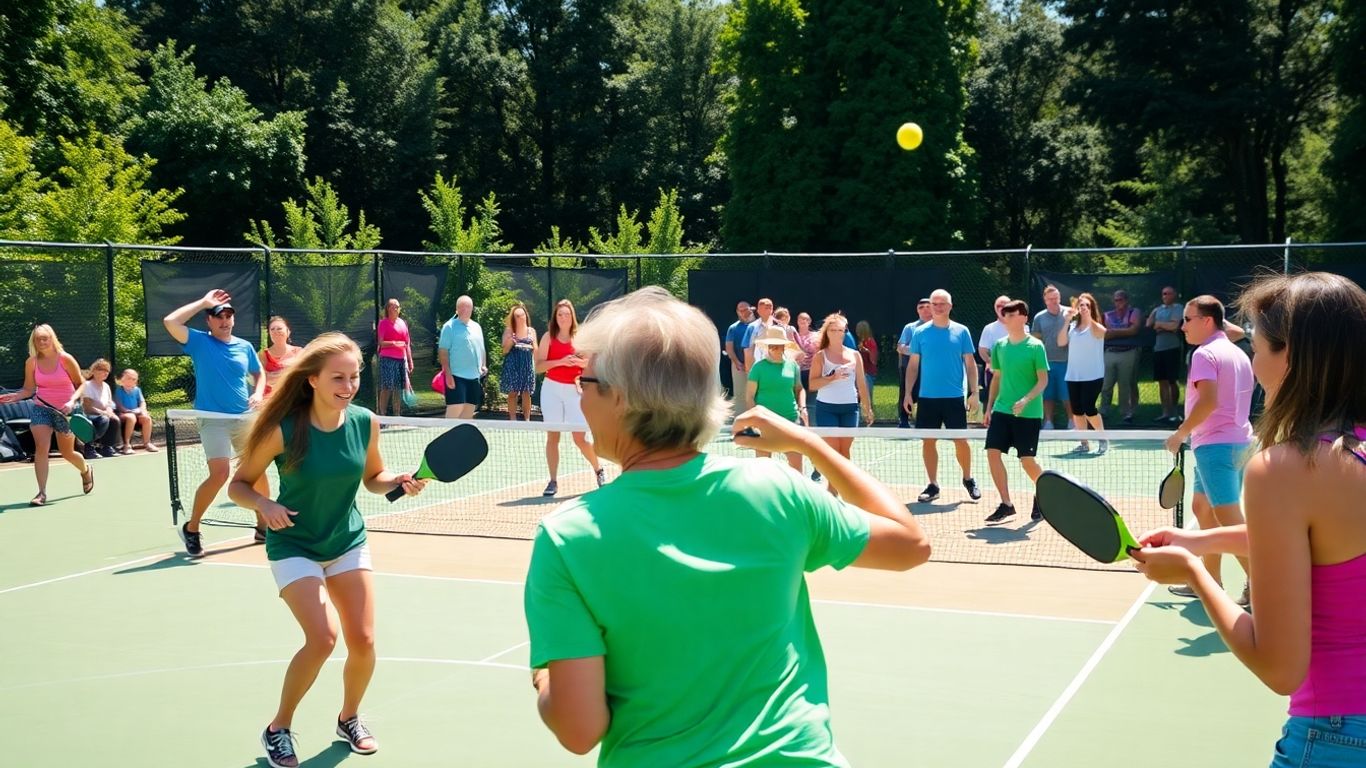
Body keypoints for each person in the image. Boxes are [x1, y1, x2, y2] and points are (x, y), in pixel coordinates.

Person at [524, 286, 931, 766]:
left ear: (622, 398)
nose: (579, 394)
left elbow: (579, 730)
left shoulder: (567, 537)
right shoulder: (778, 489)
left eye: (585, 382)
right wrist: (809, 443)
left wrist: (545, 674)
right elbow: (910, 544)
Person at [1132, 272, 1366, 767]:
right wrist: (1200, 541)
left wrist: (1194, 573)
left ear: (1292, 358)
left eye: (1257, 350)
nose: (1253, 365)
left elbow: (1280, 668)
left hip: (1336, 735)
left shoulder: (1285, 469)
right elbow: (1331, 540)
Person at [227, 333, 428, 768]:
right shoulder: (284, 429)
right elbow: (238, 485)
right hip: (294, 544)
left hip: (346, 540)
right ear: (312, 379)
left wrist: (397, 480)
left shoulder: (364, 422)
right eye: (338, 377)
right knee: (322, 638)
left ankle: (348, 718)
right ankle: (278, 728)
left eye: (354, 377)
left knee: (364, 641)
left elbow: (373, 478)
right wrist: (263, 504)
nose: (348, 385)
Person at [1160, 295, 1255, 605]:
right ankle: (1209, 582)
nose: (1182, 326)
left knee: (1230, 519)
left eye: (1188, 319)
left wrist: (1180, 433)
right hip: (1236, 443)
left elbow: (1209, 401)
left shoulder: (1204, 354)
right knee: (1202, 508)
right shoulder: (1238, 352)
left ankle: (1262, 586)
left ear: (1207, 321)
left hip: (1216, 447)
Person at [164, 289, 269, 555]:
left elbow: (259, 372)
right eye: (218, 317)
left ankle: (263, 526)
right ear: (208, 321)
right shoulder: (199, 342)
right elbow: (170, 322)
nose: (224, 321)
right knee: (220, 474)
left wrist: (258, 392)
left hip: (243, 418)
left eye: (228, 316)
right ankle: (192, 528)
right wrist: (203, 302)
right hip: (212, 419)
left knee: (256, 471)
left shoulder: (244, 346)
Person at [0, 324, 94, 505]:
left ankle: (85, 470)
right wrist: (14, 397)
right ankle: (41, 493)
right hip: (41, 407)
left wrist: (72, 401)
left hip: (65, 411)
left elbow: (81, 383)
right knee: (41, 448)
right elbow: (28, 389)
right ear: (33, 342)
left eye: (45, 338)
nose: (42, 342)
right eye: (38, 339)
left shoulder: (65, 359)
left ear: (52, 339)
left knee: (67, 453)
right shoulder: (31, 362)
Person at [903, 289, 982, 504]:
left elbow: (970, 364)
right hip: (927, 399)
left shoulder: (962, 331)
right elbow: (913, 366)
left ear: (950, 306)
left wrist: (974, 392)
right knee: (928, 441)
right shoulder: (920, 333)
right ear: (930, 306)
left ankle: (968, 478)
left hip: (954, 398)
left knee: (961, 441)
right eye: (934, 303)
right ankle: (933, 485)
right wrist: (908, 393)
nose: (938, 307)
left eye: (942, 303)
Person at [983, 301, 1049, 524]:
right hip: (1002, 409)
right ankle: (1006, 504)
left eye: (1012, 314)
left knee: (1027, 461)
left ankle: (1042, 493)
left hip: (1029, 413)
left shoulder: (1036, 347)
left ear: (1024, 318)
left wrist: (1026, 399)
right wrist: (989, 407)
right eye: (1005, 314)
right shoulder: (999, 346)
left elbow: (1043, 381)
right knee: (992, 452)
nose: (1007, 318)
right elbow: (997, 377)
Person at [535, 299, 605, 497]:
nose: (563, 318)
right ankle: (553, 481)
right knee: (553, 436)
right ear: (555, 317)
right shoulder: (548, 337)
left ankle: (599, 470)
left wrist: (579, 363)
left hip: (574, 391)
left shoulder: (581, 338)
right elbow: (539, 367)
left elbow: (591, 364)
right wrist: (561, 362)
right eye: (560, 314)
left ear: (572, 316)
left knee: (580, 438)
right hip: (551, 390)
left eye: (566, 314)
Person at [809, 314, 875, 475]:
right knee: (833, 449)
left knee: (844, 451)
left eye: (840, 330)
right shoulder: (820, 356)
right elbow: (812, 385)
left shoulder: (855, 355)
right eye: (833, 330)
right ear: (827, 332)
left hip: (850, 408)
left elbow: (861, 383)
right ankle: (830, 485)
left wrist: (867, 408)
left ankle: (842, 486)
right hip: (826, 408)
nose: (837, 333)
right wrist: (832, 377)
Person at [745, 326, 807, 471]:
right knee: (763, 469)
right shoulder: (758, 368)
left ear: (784, 346)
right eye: (772, 346)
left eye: (779, 345)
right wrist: (756, 419)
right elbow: (749, 396)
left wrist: (803, 407)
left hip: (791, 420)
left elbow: (799, 389)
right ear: (767, 347)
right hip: (765, 423)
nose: (776, 349)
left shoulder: (793, 366)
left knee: (797, 469)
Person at [1056, 292, 1109, 454]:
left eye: (1087, 305)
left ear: (1092, 308)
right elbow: (1061, 342)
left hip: (1093, 376)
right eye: (1081, 305)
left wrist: (1087, 317)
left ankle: (1103, 439)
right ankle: (1084, 443)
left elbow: (1103, 332)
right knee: (1077, 410)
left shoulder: (1096, 327)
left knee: (1089, 408)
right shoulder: (1072, 327)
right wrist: (1067, 320)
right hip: (1073, 376)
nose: (1084, 308)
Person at [438, 295, 487, 419]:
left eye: (468, 306)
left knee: (469, 410)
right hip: (456, 376)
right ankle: (448, 431)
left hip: (474, 377)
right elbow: (443, 351)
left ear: (472, 309)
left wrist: (483, 365)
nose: (465, 309)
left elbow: (481, 349)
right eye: (462, 307)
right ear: (457, 309)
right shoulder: (449, 327)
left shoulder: (477, 327)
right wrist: (448, 374)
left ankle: (463, 432)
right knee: (456, 407)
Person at [1031, 286, 1073, 429]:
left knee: (1067, 395)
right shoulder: (1039, 317)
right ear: (1045, 300)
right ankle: (1048, 422)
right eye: (1050, 299)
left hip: (1067, 362)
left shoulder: (1070, 313)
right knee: (1047, 395)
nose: (1054, 301)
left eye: (1056, 298)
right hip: (1046, 362)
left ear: (1060, 297)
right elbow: (1036, 340)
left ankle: (1072, 421)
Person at [979, 295, 1026, 409]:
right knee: (992, 402)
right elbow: (983, 350)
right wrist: (992, 362)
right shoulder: (989, 328)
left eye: (1004, 305)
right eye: (998, 306)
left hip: (1018, 372)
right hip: (995, 373)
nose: (1001, 308)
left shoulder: (1023, 327)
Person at [1102, 289, 1142, 424]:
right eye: (1116, 300)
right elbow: (1106, 334)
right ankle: (1103, 411)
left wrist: (1115, 332)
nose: (1118, 302)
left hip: (1129, 351)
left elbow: (1134, 330)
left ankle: (1127, 413)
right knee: (1106, 384)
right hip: (1110, 352)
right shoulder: (1108, 315)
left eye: (1120, 300)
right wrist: (1125, 331)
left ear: (1126, 300)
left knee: (1126, 384)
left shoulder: (1134, 312)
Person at [1147, 286, 1184, 424]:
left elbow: (1174, 327)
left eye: (1168, 293)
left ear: (1174, 295)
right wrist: (1163, 325)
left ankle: (1174, 412)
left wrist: (1159, 325)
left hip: (1172, 348)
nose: (1165, 296)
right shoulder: (1158, 309)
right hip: (1159, 349)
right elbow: (1149, 323)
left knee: (1172, 381)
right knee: (1162, 381)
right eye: (1163, 294)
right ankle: (1165, 413)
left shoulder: (1178, 308)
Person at [897, 299, 932, 428]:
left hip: (931, 369)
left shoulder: (938, 327)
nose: (925, 309)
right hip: (910, 368)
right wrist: (916, 351)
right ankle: (904, 420)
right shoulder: (910, 327)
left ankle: (924, 421)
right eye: (921, 307)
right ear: (917, 311)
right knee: (907, 392)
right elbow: (900, 347)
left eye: (928, 306)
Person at [375, 299, 413, 417]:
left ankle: (397, 416)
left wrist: (410, 361)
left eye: (397, 306)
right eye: (393, 306)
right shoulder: (383, 323)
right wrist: (394, 343)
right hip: (387, 359)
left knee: (398, 388)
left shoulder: (403, 323)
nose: (396, 308)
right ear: (388, 308)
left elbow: (407, 344)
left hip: (401, 360)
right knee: (387, 387)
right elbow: (381, 343)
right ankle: (382, 415)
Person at [500, 302, 537, 421]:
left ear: (526, 316)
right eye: (517, 316)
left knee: (526, 392)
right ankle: (513, 419)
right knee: (513, 392)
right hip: (513, 364)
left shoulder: (531, 331)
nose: (521, 318)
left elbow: (536, 350)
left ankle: (527, 420)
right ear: (513, 318)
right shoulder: (509, 331)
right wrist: (511, 341)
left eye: (522, 315)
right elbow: (504, 351)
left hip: (527, 365)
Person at [77, 358, 119, 459]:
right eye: (102, 370)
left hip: (102, 414)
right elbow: (87, 408)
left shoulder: (106, 386)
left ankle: (107, 448)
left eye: (107, 370)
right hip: (89, 416)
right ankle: (88, 447)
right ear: (94, 371)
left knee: (115, 419)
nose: (105, 373)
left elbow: (109, 404)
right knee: (104, 419)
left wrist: (109, 411)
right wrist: (103, 413)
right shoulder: (87, 385)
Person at [113, 368, 156, 453]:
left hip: (136, 413)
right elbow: (119, 406)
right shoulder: (118, 390)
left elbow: (142, 402)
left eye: (134, 379)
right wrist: (128, 411)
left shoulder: (137, 390)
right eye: (129, 378)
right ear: (122, 379)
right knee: (131, 417)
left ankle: (147, 443)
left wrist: (142, 410)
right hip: (123, 414)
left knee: (146, 418)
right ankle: (127, 445)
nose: (131, 381)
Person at [260, 316, 303, 401]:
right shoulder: (263, 355)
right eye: (272, 329)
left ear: (288, 332)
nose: (276, 331)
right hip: (269, 400)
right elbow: (259, 379)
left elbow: (303, 376)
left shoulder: (299, 352)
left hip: (293, 399)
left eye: (279, 328)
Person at [725, 301, 754, 411]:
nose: (743, 312)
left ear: (751, 309)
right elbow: (729, 348)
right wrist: (737, 362)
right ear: (737, 312)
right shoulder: (733, 328)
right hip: (739, 366)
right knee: (740, 394)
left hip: (757, 366)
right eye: (740, 310)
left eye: (746, 309)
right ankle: (741, 417)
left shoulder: (758, 325)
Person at [743, 297, 776, 371]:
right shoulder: (752, 327)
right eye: (765, 307)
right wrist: (749, 370)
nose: (768, 309)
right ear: (758, 311)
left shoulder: (779, 326)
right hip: (758, 367)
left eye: (770, 307)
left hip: (776, 367)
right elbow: (748, 350)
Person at [856, 320, 879, 398]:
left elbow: (874, 359)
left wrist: (866, 350)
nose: (857, 331)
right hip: (863, 371)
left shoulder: (870, 341)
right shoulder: (862, 341)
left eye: (858, 329)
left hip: (868, 372)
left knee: (867, 396)